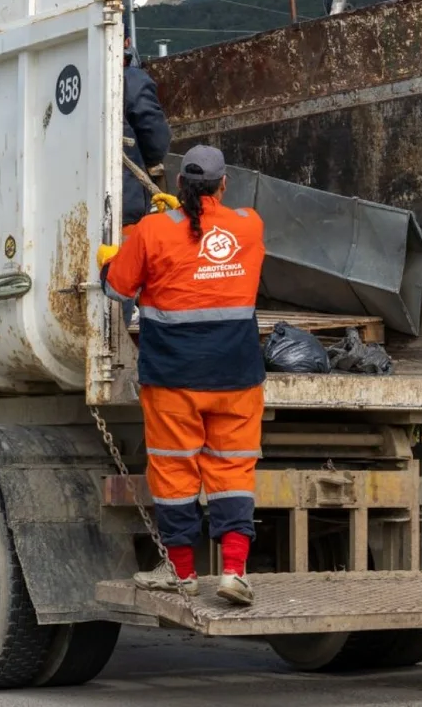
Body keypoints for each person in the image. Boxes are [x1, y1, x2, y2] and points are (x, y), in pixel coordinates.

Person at [96, 144, 266, 606]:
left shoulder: (152, 231)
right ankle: (234, 572)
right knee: (233, 473)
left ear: (178, 186)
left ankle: (182, 573)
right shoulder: (250, 226)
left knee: (175, 475)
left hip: (174, 381)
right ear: (223, 185)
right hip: (237, 378)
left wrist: (116, 252)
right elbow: (211, 242)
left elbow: (116, 287)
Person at [119, 26, 174, 327]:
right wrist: (151, 160)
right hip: (123, 198)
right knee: (123, 270)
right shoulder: (132, 81)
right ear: (126, 43)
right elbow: (156, 137)